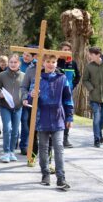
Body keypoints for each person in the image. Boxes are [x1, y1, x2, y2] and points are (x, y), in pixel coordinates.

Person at [30, 54, 74, 190]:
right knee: (43, 147)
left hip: (58, 117)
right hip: (42, 117)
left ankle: (61, 178)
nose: (50, 64)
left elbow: (67, 99)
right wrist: (32, 95)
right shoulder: (37, 79)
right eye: (48, 61)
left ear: (56, 64)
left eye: (53, 62)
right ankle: (45, 173)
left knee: (59, 147)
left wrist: (69, 116)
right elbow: (30, 99)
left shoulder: (62, 79)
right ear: (43, 63)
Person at [0, 54, 24, 163]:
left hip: (18, 107)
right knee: (7, 128)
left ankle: (12, 151)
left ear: (19, 64)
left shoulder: (23, 76)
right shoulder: (1, 75)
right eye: (11, 62)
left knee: (16, 131)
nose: (12, 64)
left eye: (15, 62)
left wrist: (25, 99)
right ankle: (6, 152)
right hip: (5, 106)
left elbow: (25, 91)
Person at [57, 41, 81, 148]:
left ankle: (65, 139)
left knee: (68, 115)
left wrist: (72, 86)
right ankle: (54, 138)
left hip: (68, 94)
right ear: (60, 51)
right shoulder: (55, 62)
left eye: (68, 50)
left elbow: (77, 77)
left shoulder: (73, 63)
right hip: (56, 94)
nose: (66, 52)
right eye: (64, 50)